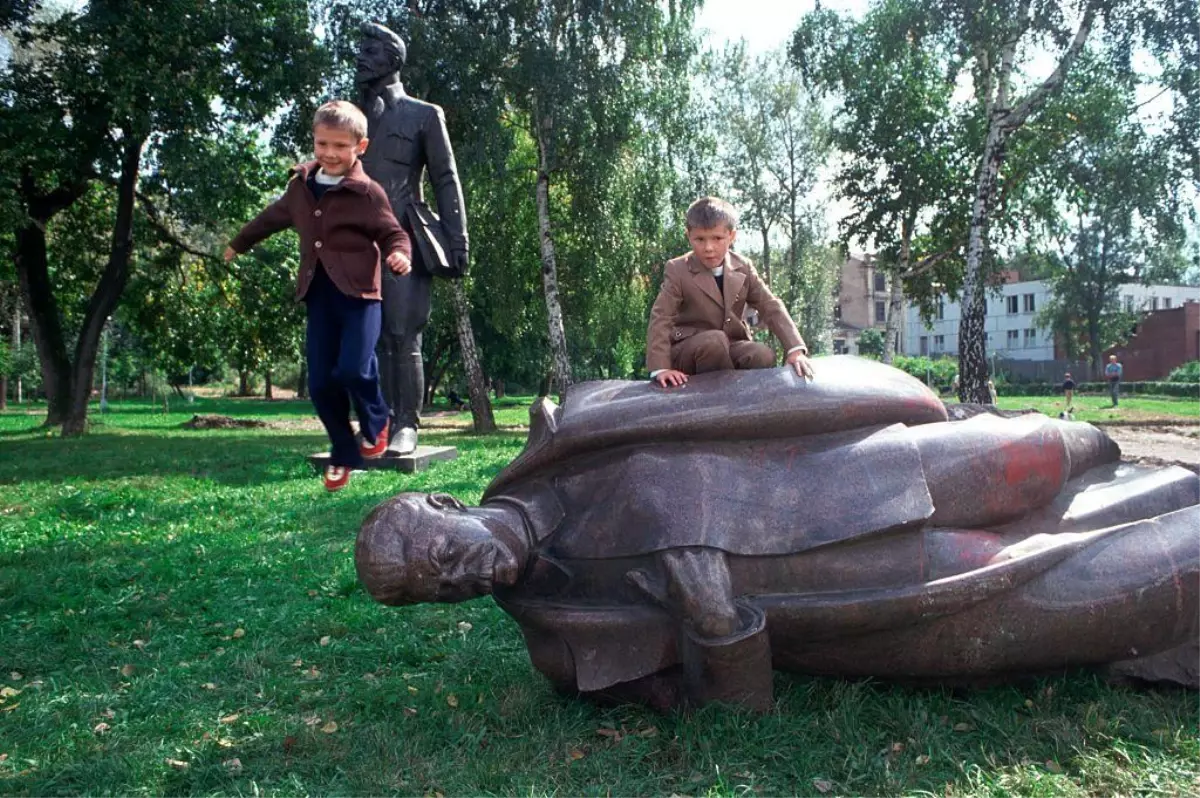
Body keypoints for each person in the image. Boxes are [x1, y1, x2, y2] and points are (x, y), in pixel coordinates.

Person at [354, 358, 1200, 709]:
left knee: (1049, 452)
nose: (461, 580)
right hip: (864, 587)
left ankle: (1158, 474)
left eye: (440, 558)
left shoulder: (574, 427)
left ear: (446, 509)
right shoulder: (567, 649)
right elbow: (731, 709)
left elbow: (713, 385)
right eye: (441, 593)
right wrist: (722, 627)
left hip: (858, 468)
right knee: (1102, 581)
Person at [225, 101, 412, 492]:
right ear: (314, 140)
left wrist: (400, 254)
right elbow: (271, 217)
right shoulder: (300, 188)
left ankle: (377, 422)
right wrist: (239, 243)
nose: (329, 153)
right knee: (321, 383)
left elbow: (393, 233)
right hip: (319, 293)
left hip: (361, 294)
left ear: (360, 147)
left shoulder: (367, 193)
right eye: (322, 143)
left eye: (340, 146)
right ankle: (343, 451)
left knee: (352, 368)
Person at [356, 22, 470, 455]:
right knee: (371, 336)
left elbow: (446, 178)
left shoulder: (423, 114)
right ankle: (378, 423)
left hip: (405, 234)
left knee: (404, 333)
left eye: (370, 51)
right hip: (357, 240)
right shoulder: (351, 117)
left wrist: (457, 240)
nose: (360, 58)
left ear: (393, 59)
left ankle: (407, 423)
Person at [646, 197, 814, 388]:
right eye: (700, 239)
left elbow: (770, 305)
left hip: (730, 346)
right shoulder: (677, 269)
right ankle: (721, 405)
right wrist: (661, 368)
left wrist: (794, 349)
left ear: (732, 236)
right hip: (689, 352)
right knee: (714, 341)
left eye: (717, 238)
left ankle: (749, 407)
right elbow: (662, 317)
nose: (708, 248)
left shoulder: (743, 267)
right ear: (688, 236)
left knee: (762, 353)